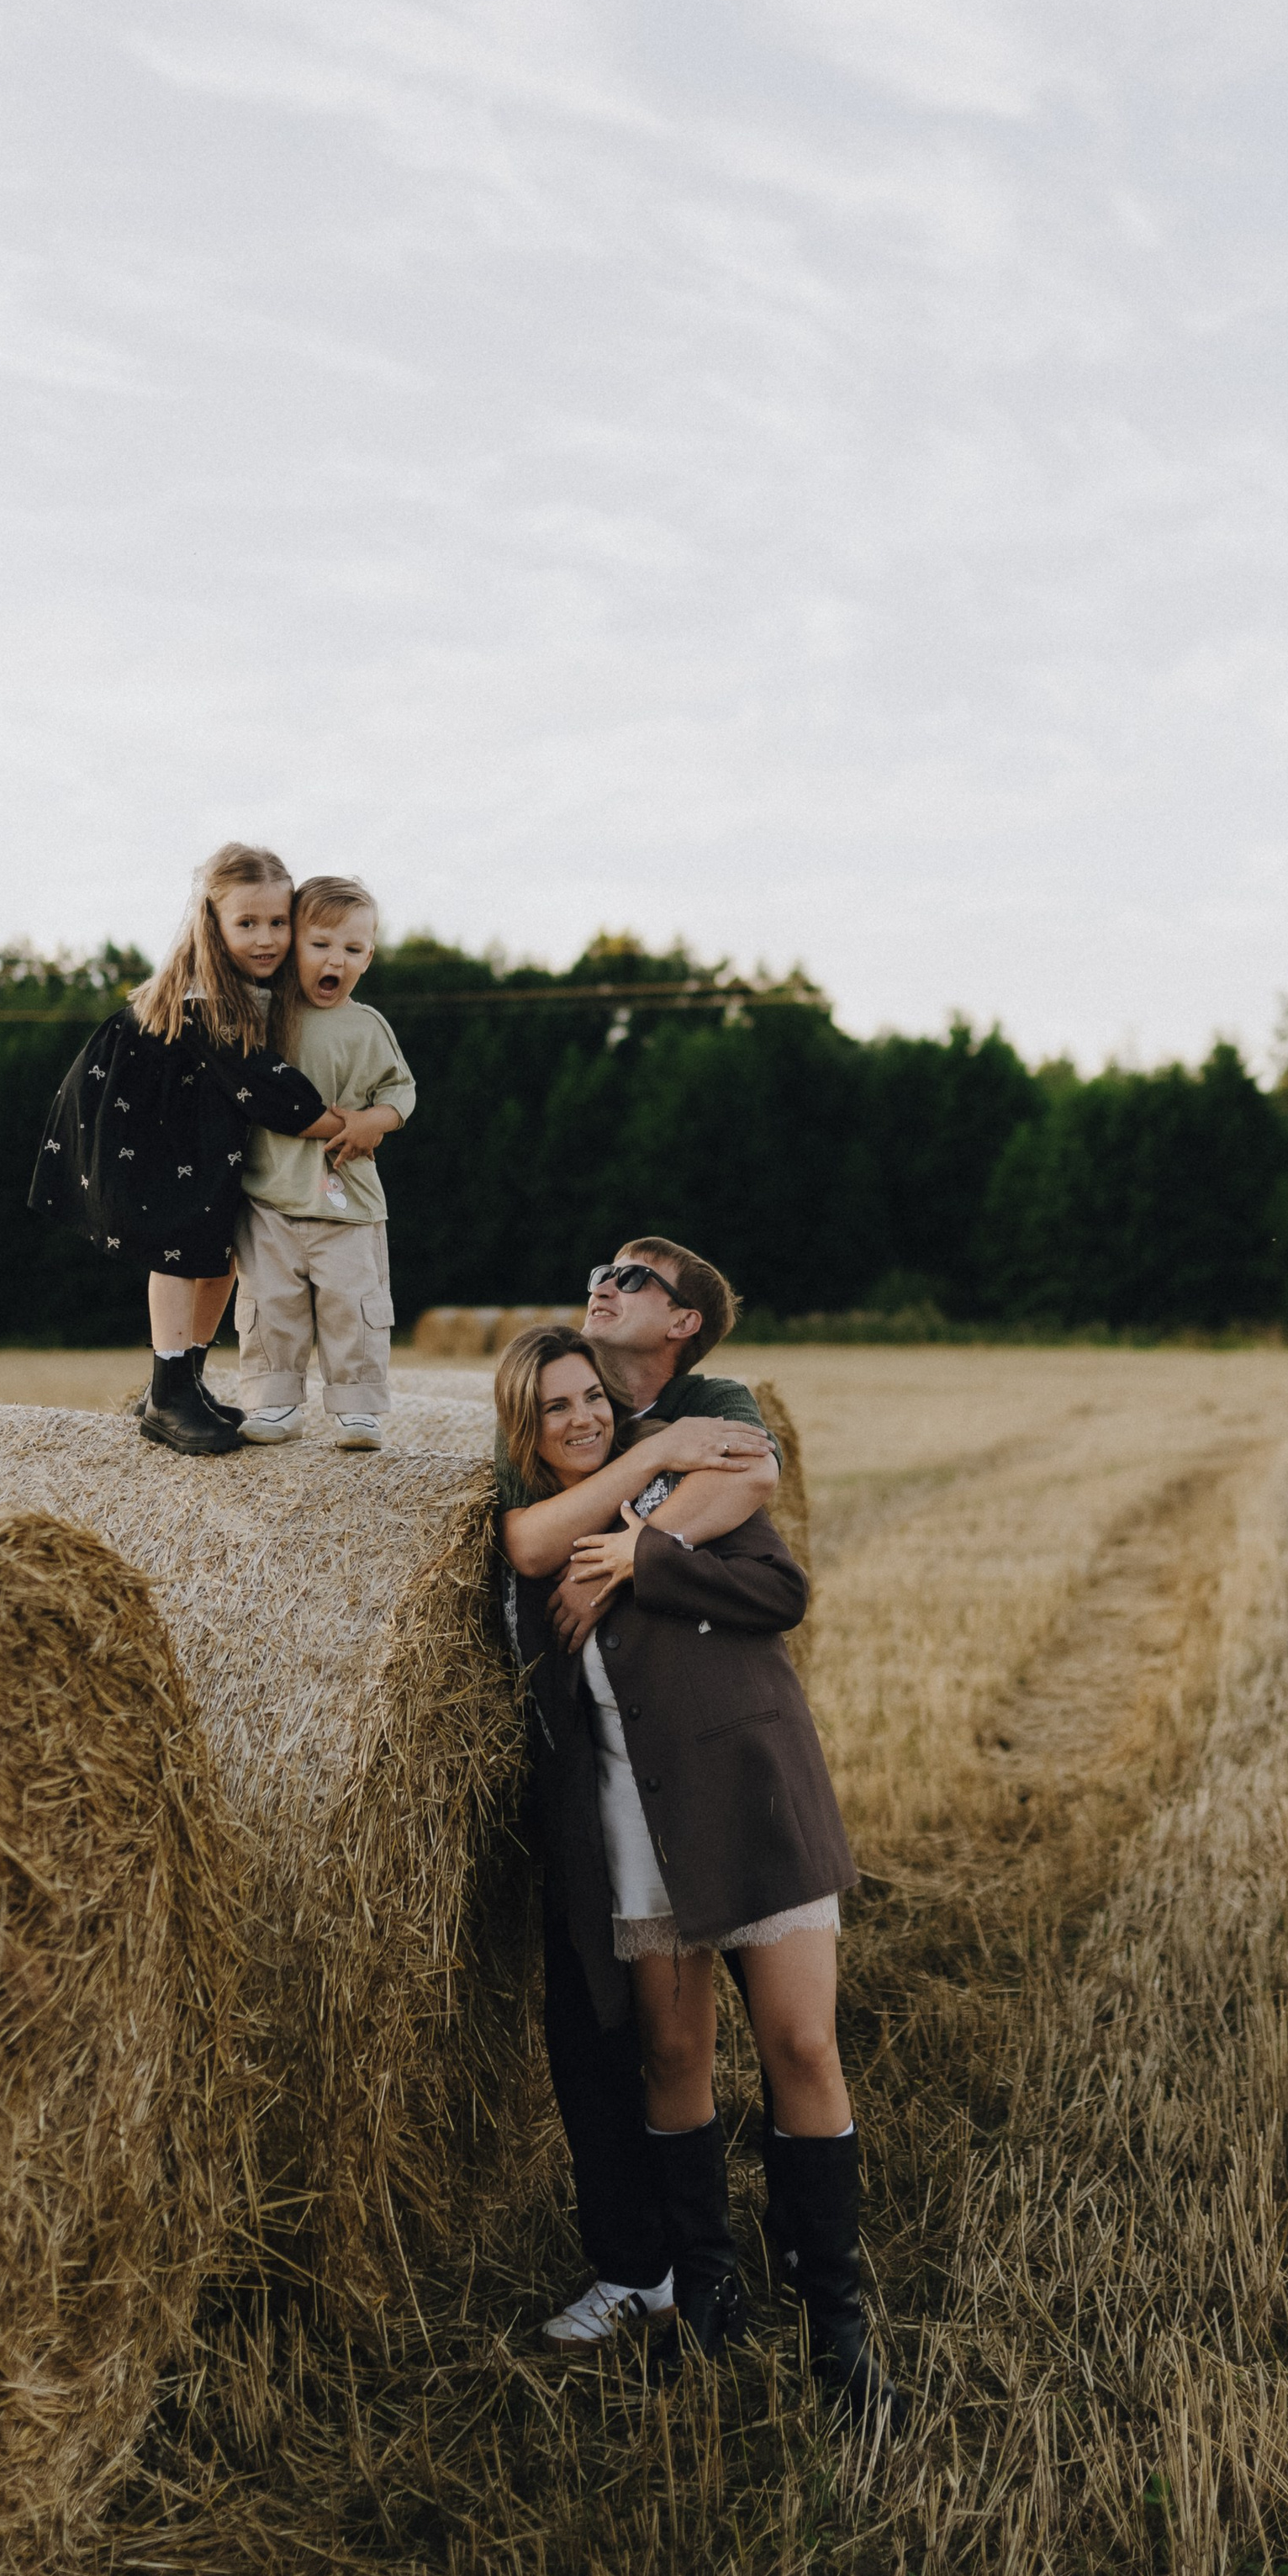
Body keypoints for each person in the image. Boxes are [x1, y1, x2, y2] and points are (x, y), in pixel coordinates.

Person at [497, 1299, 900, 2422]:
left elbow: (783, 1593)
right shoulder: (530, 1545)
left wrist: (646, 1558)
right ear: (525, 1431)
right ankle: (707, 2295)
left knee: (802, 2045)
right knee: (674, 2057)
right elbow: (524, 1568)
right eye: (554, 1408)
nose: (582, 1419)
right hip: (638, 1826)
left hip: (751, 1803)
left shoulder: (686, 1493)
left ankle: (835, 2322)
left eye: (592, 1398)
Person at [28, 843, 345, 1457]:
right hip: (143, 1125)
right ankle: (167, 1393)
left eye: (278, 922)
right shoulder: (205, 998)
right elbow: (264, 1086)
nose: (265, 938)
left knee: (221, 1247)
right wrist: (347, 1125)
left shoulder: (257, 987)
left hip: (198, 1130)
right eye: (247, 923)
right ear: (213, 924)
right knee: (175, 1245)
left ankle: (186, 1380)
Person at [234, 875, 414, 1451]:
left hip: (348, 1202)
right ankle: (275, 1404)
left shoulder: (368, 1025)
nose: (336, 959)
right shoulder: (262, 1015)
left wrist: (372, 1122)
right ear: (294, 946)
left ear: (369, 957)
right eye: (321, 945)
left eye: (353, 949)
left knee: (353, 1309)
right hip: (270, 1196)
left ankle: (358, 1410)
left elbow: (401, 1093)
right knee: (270, 1306)